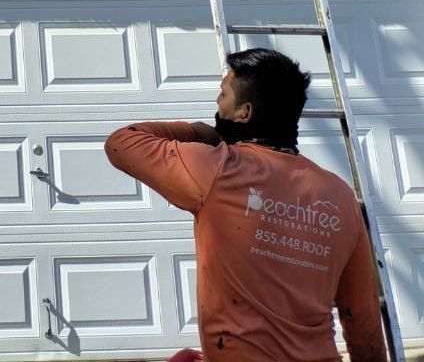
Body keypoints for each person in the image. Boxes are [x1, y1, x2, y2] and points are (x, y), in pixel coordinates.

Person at [104, 48, 388, 362]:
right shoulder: (340, 195)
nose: (217, 102)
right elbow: (361, 313)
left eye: (223, 94)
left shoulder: (218, 168)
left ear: (244, 113)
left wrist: (196, 132)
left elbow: (122, 142)